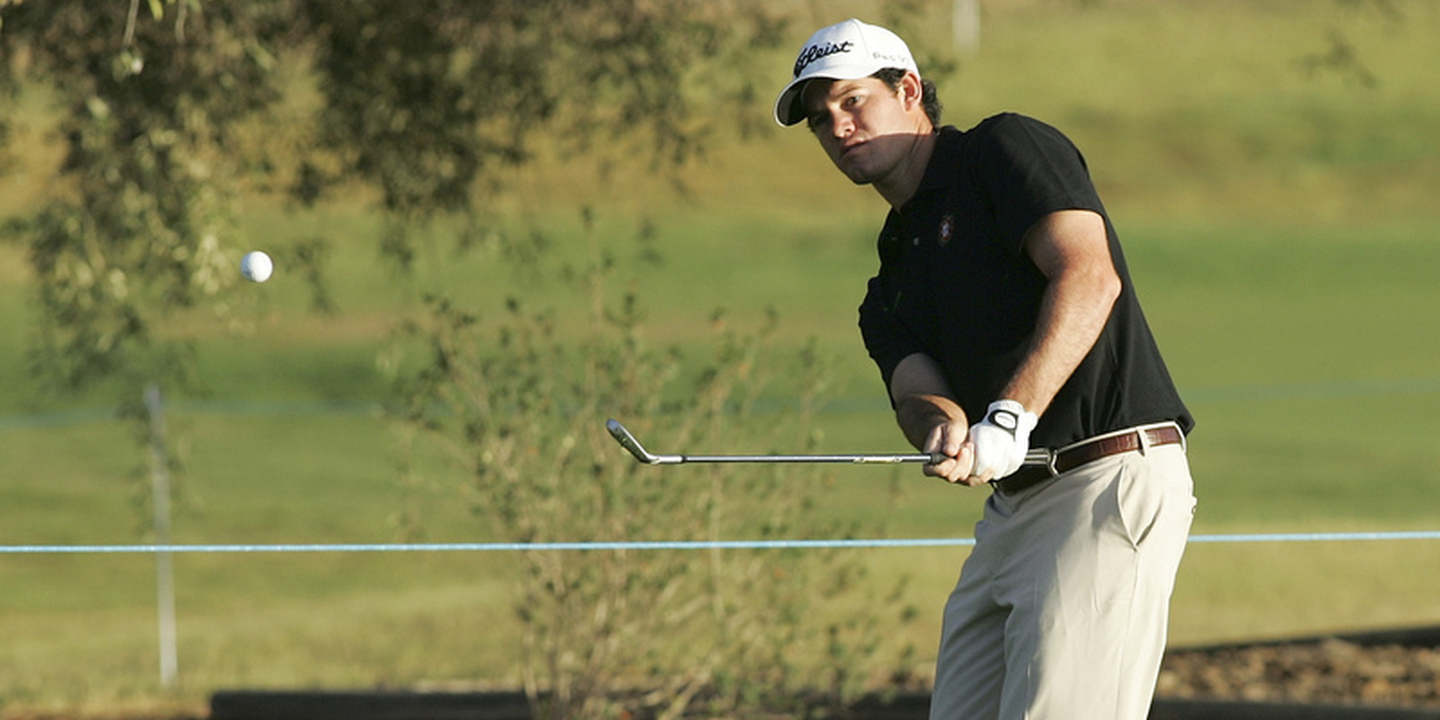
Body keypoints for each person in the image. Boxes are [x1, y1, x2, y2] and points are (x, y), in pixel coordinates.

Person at [773, 18, 1198, 720]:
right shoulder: (890, 283)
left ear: (908, 89)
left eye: (852, 101)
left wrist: (1007, 419)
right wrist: (944, 430)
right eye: (821, 119)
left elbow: (1089, 277)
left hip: (1105, 482)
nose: (837, 127)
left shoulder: (1002, 150)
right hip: (1012, 509)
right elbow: (918, 394)